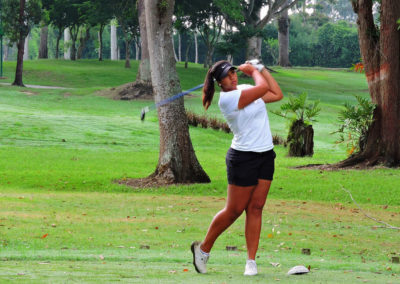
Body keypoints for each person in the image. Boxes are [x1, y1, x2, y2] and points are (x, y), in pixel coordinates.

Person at [191, 59, 283, 276]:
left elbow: (276, 93)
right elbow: (262, 88)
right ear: (220, 83)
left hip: (265, 155)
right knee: (234, 211)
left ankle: (251, 261)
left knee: (256, 207)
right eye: (227, 75)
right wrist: (253, 71)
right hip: (243, 158)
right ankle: (202, 250)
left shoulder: (244, 89)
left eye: (233, 72)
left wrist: (260, 68)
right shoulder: (228, 99)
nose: (233, 76)